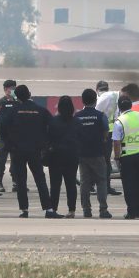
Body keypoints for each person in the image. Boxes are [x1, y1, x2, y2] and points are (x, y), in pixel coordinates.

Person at [0, 84, 58, 218]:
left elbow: (2, 125)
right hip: (35, 150)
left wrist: (8, 142)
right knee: (40, 179)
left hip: (17, 150)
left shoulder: (13, 111)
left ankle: (24, 210)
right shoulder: (40, 110)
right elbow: (53, 125)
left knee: (21, 181)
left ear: (17, 97)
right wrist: (46, 143)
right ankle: (48, 209)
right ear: (30, 94)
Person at [113, 96, 139, 219]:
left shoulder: (119, 121)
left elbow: (116, 142)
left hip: (127, 157)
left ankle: (133, 211)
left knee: (129, 185)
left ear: (119, 107)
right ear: (131, 106)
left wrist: (116, 157)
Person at [75, 88, 111, 219]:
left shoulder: (77, 117)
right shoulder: (101, 116)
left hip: (82, 154)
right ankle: (103, 210)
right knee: (101, 181)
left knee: (85, 182)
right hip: (98, 153)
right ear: (96, 101)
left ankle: (86, 210)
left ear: (82, 101)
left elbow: (75, 134)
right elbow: (106, 133)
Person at [47, 96, 79, 218]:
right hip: (72, 157)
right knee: (71, 184)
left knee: (55, 185)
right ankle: (71, 210)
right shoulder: (76, 121)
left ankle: (53, 208)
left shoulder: (53, 121)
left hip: (55, 157)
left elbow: (48, 138)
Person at [94, 80, 121, 195]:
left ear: (97, 89)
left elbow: (95, 114)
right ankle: (106, 187)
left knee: (97, 159)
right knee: (105, 161)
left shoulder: (99, 98)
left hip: (99, 133)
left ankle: (96, 186)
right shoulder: (114, 97)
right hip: (110, 132)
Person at [0, 79, 16, 192]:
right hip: (3, 135)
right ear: (5, 89)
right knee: (1, 160)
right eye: (10, 88)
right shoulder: (0, 102)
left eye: (14, 88)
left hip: (16, 135)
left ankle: (15, 182)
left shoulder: (18, 102)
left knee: (16, 159)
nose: (12, 90)